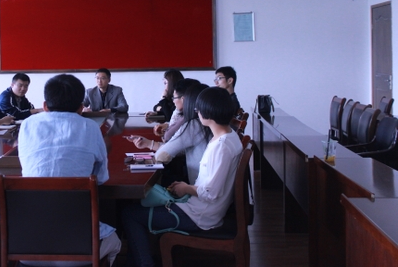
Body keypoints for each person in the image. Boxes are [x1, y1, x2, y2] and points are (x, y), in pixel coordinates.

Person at [123, 86, 243, 267]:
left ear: (209, 112)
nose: (196, 111)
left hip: (200, 215)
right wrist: (186, 188)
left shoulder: (221, 146)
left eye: (199, 108)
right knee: (138, 208)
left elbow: (210, 192)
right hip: (203, 209)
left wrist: (186, 188)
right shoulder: (228, 136)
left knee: (130, 215)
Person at [18, 73, 121, 266]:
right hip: (79, 248)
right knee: (115, 240)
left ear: (45, 106)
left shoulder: (27, 125)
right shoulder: (91, 128)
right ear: (81, 108)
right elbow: (100, 178)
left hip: (27, 246)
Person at [127, 83, 210, 184]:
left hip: (197, 185)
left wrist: (145, 160)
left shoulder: (194, 124)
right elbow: (177, 148)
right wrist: (148, 143)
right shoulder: (208, 123)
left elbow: (165, 152)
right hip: (204, 183)